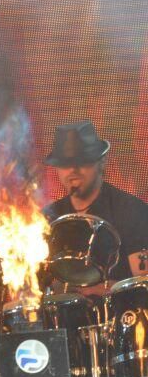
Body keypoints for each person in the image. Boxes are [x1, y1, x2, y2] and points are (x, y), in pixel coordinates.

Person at [42, 121, 148, 283]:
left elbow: (143, 282)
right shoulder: (47, 218)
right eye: (65, 164)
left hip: (117, 300)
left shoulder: (132, 211)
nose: (73, 169)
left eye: (82, 160)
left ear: (101, 161)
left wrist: (95, 290)